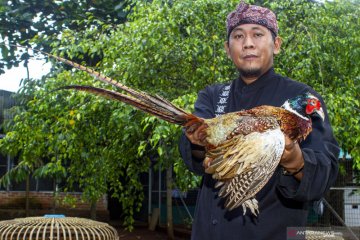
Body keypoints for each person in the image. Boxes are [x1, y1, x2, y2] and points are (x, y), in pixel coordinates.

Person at [178, 1, 339, 239]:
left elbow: (325, 171)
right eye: (239, 36)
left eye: (258, 34)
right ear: (227, 48)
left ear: (276, 45)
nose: (248, 43)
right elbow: (192, 156)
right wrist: (199, 143)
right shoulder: (213, 96)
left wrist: (294, 159)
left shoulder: (303, 99)